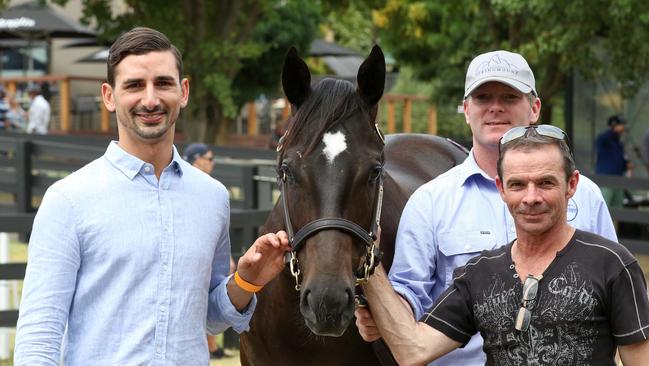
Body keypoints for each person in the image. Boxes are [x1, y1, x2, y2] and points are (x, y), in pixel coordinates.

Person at [14, 27, 291, 365]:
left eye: (163, 83)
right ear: (109, 96)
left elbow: (209, 318)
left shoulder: (212, 198)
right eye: (133, 85)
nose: (150, 99)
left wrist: (246, 281)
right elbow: (38, 339)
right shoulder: (68, 200)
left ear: (183, 91)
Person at [356, 50, 617, 366]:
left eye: (509, 96)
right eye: (482, 98)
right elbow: (408, 294)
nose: (495, 107)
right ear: (466, 110)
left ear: (534, 108)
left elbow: (613, 294)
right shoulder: (430, 202)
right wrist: (381, 315)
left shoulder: (586, 195)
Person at [359, 125, 649, 365]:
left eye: (546, 183)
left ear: (571, 185)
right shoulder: (479, 274)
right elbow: (413, 349)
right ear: (501, 189)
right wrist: (368, 262)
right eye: (517, 185)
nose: (531, 197)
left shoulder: (612, 265)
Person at [182, 142, 237, 359]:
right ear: (198, 159)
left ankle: (211, 346)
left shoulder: (203, 186)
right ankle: (211, 347)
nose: (212, 163)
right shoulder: (199, 187)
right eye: (209, 159)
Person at [594, 114, 632, 207]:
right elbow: (599, 142)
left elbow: (621, 158)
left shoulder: (618, 142)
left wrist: (626, 165)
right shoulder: (604, 138)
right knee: (605, 205)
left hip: (618, 178)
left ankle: (615, 222)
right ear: (614, 125)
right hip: (606, 178)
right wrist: (613, 130)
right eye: (621, 124)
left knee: (618, 207)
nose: (623, 127)